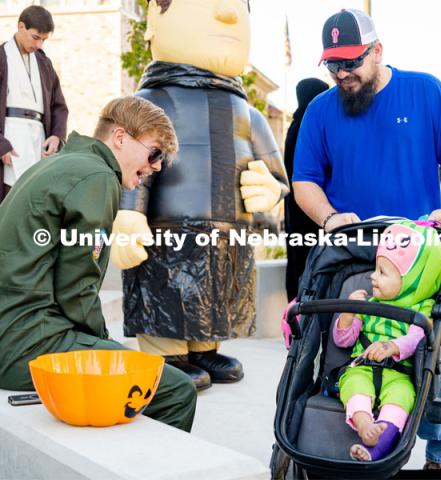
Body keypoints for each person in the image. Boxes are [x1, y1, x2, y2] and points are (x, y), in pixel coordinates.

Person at [292, 8, 441, 470]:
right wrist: (330, 216)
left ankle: (438, 456)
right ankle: (330, 446)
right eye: (333, 65)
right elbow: (305, 183)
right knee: (335, 356)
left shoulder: (424, 91)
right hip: (353, 256)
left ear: (377, 51)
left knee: (430, 366)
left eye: (351, 62)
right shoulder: (320, 111)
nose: (342, 74)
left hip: (419, 257)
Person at [110, 0, 289, 391]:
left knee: (216, 290)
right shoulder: (152, 102)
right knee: (166, 288)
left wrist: (272, 187)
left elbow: (276, 171)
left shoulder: (246, 110)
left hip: (228, 232)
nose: (226, 16)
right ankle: (165, 351)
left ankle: (204, 347)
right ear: (156, 20)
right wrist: (129, 213)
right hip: (168, 227)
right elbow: (133, 164)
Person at [0, 96, 196, 432]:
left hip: (14, 330)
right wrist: (105, 347)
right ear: (120, 138)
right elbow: (76, 290)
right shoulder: (97, 177)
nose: (157, 166)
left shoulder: (57, 164)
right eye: (154, 152)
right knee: (178, 391)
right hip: (26, 345)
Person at [334, 222, 441, 461]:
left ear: (413, 281)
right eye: (375, 269)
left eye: (382, 272)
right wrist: (348, 314)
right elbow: (343, 341)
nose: (373, 276)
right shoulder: (369, 305)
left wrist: (392, 346)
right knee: (354, 386)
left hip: (399, 375)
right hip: (361, 368)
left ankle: (377, 447)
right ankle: (364, 426)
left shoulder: (423, 309)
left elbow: (418, 338)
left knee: (402, 397)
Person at [0, 5, 68, 203]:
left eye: (44, 40)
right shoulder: (1, 58)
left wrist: (56, 135)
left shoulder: (44, 63)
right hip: (10, 138)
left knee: (37, 200)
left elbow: (59, 105)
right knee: (8, 202)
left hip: (39, 138)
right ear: (21, 27)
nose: (39, 45)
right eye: (35, 37)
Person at [284, 78, 329, 301]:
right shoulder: (311, 125)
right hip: (314, 204)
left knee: (297, 259)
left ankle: (294, 315)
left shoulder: (294, 125)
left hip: (294, 204)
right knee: (314, 260)